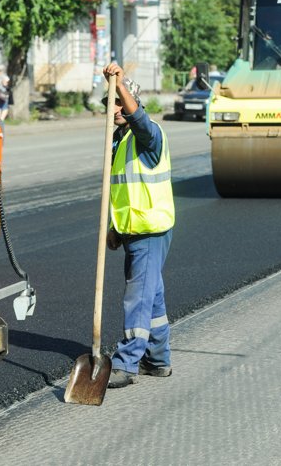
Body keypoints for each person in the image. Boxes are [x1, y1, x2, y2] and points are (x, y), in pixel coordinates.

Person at [102, 62, 176, 389]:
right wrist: (115, 228)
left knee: (138, 298)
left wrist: (119, 85)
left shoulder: (149, 135)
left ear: (133, 102)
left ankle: (126, 363)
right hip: (132, 230)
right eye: (111, 104)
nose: (116, 109)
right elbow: (124, 191)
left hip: (150, 230)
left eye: (121, 103)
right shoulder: (119, 142)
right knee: (152, 296)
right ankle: (158, 360)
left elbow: (139, 121)